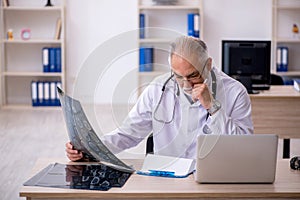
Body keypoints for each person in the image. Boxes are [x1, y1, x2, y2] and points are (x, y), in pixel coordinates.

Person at [66, 36, 253, 162]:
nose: (185, 83)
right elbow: (128, 133)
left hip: (215, 176)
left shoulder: (235, 92)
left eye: (193, 75)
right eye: (178, 76)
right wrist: (89, 149)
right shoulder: (158, 88)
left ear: (209, 64)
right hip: (168, 176)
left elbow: (245, 147)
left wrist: (213, 107)